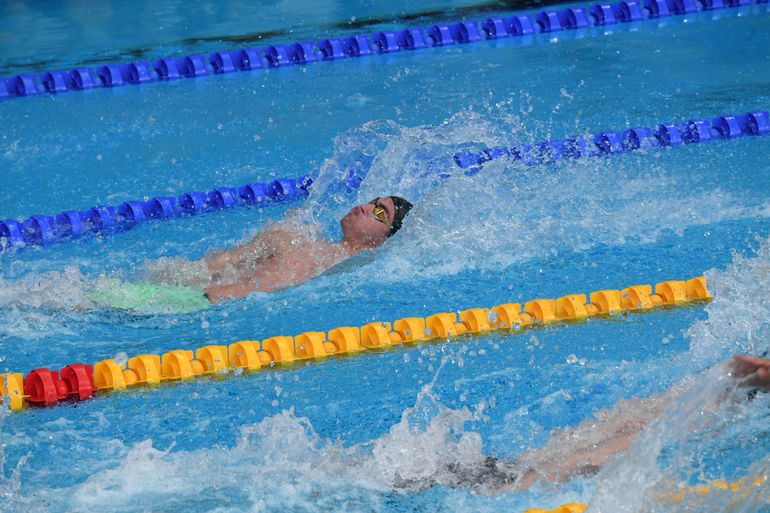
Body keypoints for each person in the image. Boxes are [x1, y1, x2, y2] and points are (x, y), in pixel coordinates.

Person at [411, 355, 770, 494]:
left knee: (615, 433)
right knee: (614, 432)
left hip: (740, 380)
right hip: (744, 386)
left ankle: (502, 477)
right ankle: (506, 480)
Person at [89, 196, 413, 312]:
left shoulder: (359, 269)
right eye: (373, 201)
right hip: (189, 303)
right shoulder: (292, 236)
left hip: (192, 306)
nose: (366, 207)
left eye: (380, 213)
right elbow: (207, 267)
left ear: (382, 241)